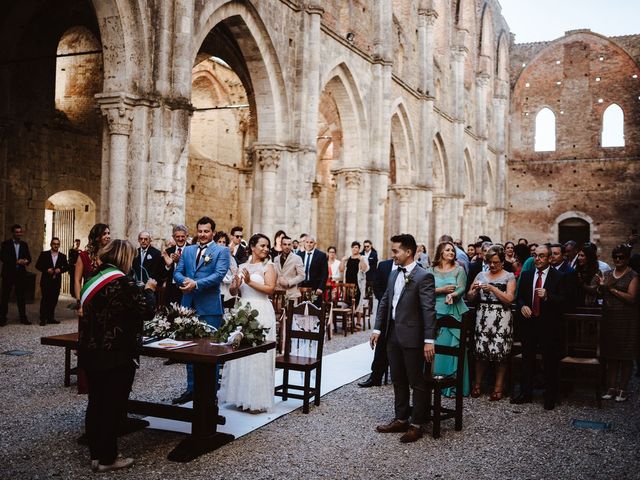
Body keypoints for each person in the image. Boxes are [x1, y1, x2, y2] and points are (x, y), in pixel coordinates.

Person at [78, 239, 156, 472]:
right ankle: (108, 458)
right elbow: (147, 311)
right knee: (112, 406)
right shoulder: (124, 283)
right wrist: (149, 290)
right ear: (124, 258)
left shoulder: (92, 279)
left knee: (96, 403)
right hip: (116, 352)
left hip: (91, 350)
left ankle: (96, 454)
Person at [371, 234, 436, 443]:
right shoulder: (392, 274)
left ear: (408, 252)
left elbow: (429, 310)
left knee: (416, 381)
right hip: (392, 336)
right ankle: (401, 418)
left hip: (413, 337)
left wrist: (429, 340)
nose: (393, 255)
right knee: (398, 380)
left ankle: (416, 425)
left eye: (396, 251)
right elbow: (385, 303)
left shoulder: (423, 276)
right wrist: (377, 329)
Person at [172, 216, 230, 405]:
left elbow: (218, 275)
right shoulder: (188, 250)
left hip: (209, 307)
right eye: (200, 231)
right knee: (189, 349)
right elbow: (177, 272)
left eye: (206, 231)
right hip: (188, 305)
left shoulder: (221, 250)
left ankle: (210, 393)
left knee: (209, 351)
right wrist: (185, 282)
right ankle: (191, 389)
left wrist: (195, 284)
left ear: (213, 232)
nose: (202, 235)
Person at [221, 233, 277, 413]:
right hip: (243, 309)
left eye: (267, 246)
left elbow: (270, 289)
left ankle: (256, 400)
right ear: (252, 246)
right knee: (241, 352)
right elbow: (233, 290)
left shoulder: (268, 266)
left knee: (258, 354)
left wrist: (250, 281)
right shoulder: (242, 266)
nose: (266, 249)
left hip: (261, 311)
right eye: (262, 245)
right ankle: (240, 397)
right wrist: (236, 284)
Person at [512, 244, 566, 410]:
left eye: (542, 256)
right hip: (529, 323)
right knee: (527, 360)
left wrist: (548, 296)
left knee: (549, 361)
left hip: (549, 325)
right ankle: (526, 393)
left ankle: (550, 396)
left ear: (550, 258)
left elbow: (565, 301)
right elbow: (519, 296)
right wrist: (522, 306)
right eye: (535, 255)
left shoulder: (559, 276)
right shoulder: (527, 275)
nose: (537, 259)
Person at [467, 245, 516, 401]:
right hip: (482, 316)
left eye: (496, 262)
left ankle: (498, 388)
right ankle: (477, 385)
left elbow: (509, 299)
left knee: (500, 354)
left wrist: (493, 289)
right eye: (490, 262)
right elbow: (469, 298)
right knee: (480, 353)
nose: (493, 265)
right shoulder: (481, 274)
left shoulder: (509, 276)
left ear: (502, 261)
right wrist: (474, 291)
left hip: (502, 318)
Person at [598, 244, 638, 402]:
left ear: (627, 258)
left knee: (626, 356)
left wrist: (611, 289)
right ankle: (611, 387)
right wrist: (601, 287)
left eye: (621, 257)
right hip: (609, 318)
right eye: (615, 257)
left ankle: (623, 389)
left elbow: (632, 298)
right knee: (611, 355)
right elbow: (601, 292)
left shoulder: (633, 275)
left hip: (627, 320)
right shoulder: (608, 273)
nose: (618, 260)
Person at [429, 241, 469, 397]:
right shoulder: (430, 271)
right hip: (433, 312)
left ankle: (450, 384)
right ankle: (433, 379)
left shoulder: (459, 270)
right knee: (434, 347)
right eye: (448, 250)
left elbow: (461, 288)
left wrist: (452, 294)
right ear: (440, 253)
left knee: (449, 347)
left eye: (452, 250)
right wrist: (442, 290)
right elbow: (425, 289)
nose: (451, 252)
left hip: (451, 311)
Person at [358, 257, 394, 388]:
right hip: (384, 309)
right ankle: (376, 376)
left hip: (403, 314)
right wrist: (384, 300)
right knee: (381, 344)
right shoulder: (384, 265)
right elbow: (376, 284)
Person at [74, 224, 111, 313]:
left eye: (109, 233)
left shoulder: (111, 255)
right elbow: (77, 281)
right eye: (104, 234)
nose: (108, 236)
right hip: (89, 298)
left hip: (107, 300)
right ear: (97, 237)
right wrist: (79, 303)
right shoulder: (84, 256)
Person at [0, 224, 32, 325]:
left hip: (20, 275)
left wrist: (26, 261)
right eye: (17, 232)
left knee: (21, 297)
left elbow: (29, 258)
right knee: (5, 297)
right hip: (8, 274)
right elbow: (2, 257)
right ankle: (2, 318)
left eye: (20, 232)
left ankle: (23, 318)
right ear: (13, 233)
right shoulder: (5, 244)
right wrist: (16, 261)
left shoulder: (24, 244)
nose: (19, 234)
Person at [35, 237, 69, 326]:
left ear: (59, 245)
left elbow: (66, 267)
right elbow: (38, 265)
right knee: (45, 299)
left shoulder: (62, 256)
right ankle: (43, 318)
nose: (56, 246)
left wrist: (60, 270)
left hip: (56, 281)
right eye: (54, 244)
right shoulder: (44, 254)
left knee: (54, 300)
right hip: (46, 281)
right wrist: (46, 270)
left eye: (57, 244)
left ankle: (51, 318)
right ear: (51, 244)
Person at [340, 241, 369, 327]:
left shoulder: (362, 257)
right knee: (348, 301)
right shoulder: (348, 258)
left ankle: (358, 322)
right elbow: (341, 270)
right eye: (353, 247)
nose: (354, 249)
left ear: (359, 249)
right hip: (348, 283)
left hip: (358, 284)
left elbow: (365, 269)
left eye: (356, 247)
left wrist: (362, 260)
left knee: (359, 302)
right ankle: (349, 320)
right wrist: (342, 260)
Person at [160, 224, 190, 306]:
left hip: (187, 288)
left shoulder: (192, 250)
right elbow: (161, 275)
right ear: (173, 237)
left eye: (183, 236)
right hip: (171, 289)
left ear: (187, 236)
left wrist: (179, 262)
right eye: (177, 236)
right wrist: (168, 266)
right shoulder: (168, 251)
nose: (180, 239)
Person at [297, 234, 328, 300]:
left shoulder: (321, 255)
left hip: (315, 288)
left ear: (315, 244)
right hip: (301, 287)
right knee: (300, 308)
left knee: (314, 308)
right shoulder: (299, 255)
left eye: (311, 242)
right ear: (304, 243)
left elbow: (324, 273)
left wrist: (321, 287)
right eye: (307, 242)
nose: (309, 244)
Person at [274, 235, 305, 301]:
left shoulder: (297, 258)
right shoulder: (276, 259)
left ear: (291, 246)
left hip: (292, 294)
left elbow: (302, 276)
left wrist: (288, 283)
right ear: (281, 245)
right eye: (284, 244)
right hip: (278, 294)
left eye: (289, 244)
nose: (287, 246)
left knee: (291, 311)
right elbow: (275, 275)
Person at [214, 231, 239, 301]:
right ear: (215, 243)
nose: (222, 244)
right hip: (215, 288)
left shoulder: (230, 258)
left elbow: (235, 273)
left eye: (224, 242)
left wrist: (228, 278)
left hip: (227, 289)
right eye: (219, 241)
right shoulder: (211, 257)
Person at [575, 243, 601, 307]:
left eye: (582, 256)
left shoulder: (597, 272)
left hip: (590, 304)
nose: (579, 258)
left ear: (589, 257)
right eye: (578, 255)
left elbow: (594, 290)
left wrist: (581, 282)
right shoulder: (577, 270)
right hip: (577, 304)